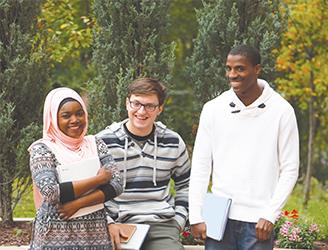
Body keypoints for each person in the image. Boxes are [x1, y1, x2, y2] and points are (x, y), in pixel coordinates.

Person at [189, 45, 299, 250]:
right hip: (218, 214)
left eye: (240, 69)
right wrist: (195, 214)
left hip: (259, 218)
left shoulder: (282, 111)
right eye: (229, 68)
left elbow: (290, 168)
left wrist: (271, 214)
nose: (232, 74)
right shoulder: (213, 109)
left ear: (257, 69)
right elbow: (201, 165)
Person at [97, 78, 191, 250]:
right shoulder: (104, 141)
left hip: (161, 223)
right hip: (118, 223)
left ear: (160, 109)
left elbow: (186, 185)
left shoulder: (173, 142)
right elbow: (92, 192)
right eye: (136, 103)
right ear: (127, 103)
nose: (141, 111)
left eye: (150, 106)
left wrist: (178, 221)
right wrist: (108, 222)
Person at [29, 87, 124, 250]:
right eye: (66, 116)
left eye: (79, 113)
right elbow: (51, 192)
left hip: (95, 235)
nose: (75, 120)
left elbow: (117, 185)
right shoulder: (42, 149)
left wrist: (77, 204)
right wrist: (99, 179)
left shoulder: (96, 143)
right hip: (55, 236)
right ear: (53, 118)